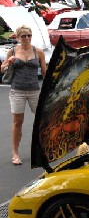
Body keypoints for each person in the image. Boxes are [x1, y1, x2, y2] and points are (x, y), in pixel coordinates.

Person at [0, 25, 47, 165]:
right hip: (17, 91)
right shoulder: (12, 51)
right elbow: (2, 69)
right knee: (17, 122)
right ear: (18, 37)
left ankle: (42, 150)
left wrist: (51, 87)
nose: (26, 38)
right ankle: (15, 153)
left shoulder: (38, 52)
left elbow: (45, 72)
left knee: (41, 120)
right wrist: (8, 63)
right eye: (23, 36)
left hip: (34, 90)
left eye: (29, 35)